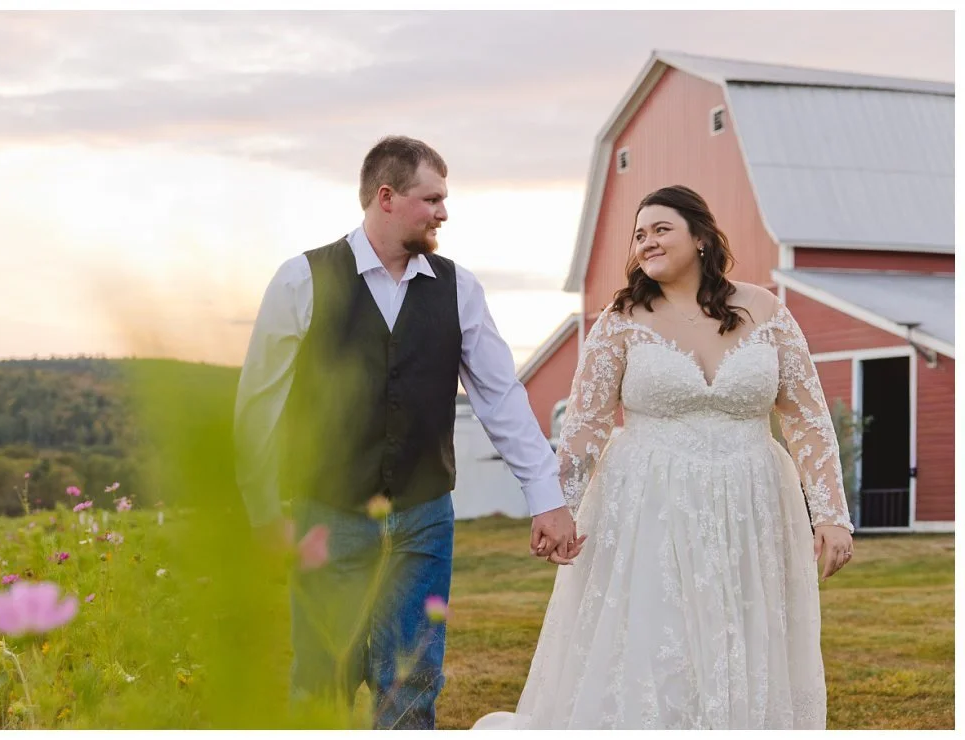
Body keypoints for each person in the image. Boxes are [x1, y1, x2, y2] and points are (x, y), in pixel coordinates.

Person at [233, 135, 584, 730]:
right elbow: (257, 407)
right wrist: (265, 516)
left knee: (414, 683)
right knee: (323, 680)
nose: (444, 212)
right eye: (433, 199)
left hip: (424, 518)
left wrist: (546, 498)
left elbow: (500, 398)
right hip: (328, 514)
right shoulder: (303, 279)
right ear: (387, 196)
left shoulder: (458, 287)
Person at [473, 184, 855, 730]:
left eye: (660, 229)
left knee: (745, 638)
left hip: (751, 505)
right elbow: (585, 426)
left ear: (700, 238)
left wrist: (831, 514)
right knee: (657, 643)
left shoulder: (767, 311)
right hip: (647, 506)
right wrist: (558, 509)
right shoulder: (621, 319)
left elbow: (809, 419)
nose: (646, 242)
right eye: (638, 234)